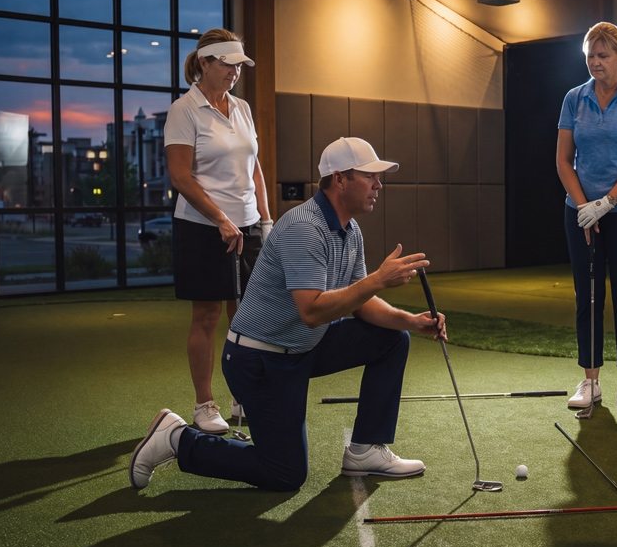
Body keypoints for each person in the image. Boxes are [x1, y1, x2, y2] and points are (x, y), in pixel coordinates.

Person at [129, 137, 444, 491]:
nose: (378, 185)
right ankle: (176, 438)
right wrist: (377, 281)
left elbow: (358, 303)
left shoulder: (350, 230)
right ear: (340, 179)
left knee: (392, 339)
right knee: (285, 474)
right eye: (370, 176)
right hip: (260, 362)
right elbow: (311, 311)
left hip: (303, 349)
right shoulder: (303, 228)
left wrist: (412, 321)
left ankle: (366, 449)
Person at [164, 29, 272, 435]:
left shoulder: (241, 107)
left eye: (239, 65)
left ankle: (242, 394)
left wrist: (265, 219)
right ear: (205, 63)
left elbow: (255, 168)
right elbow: (181, 176)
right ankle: (204, 405)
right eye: (228, 64)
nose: (235, 72)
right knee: (207, 316)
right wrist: (220, 219)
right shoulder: (184, 109)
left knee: (246, 317)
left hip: (247, 224)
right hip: (201, 226)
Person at [557, 22, 617, 413]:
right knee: (588, 296)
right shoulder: (574, 98)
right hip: (580, 211)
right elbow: (564, 160)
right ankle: (591, 379)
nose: (595, 63)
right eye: (590, 56)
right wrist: (585, 206)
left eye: (603, 55)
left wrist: (607, 202)